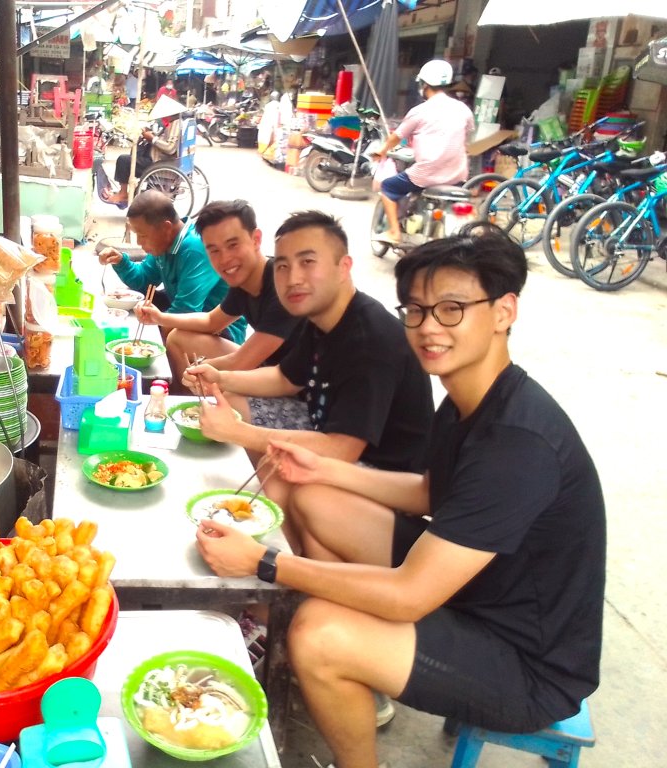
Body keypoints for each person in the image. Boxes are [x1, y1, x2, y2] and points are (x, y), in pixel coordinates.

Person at [193, 230, 606, 768]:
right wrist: (325, 468)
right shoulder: (469, 398)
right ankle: (353, 654)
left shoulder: (518, 442)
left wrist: (266, 563)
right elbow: (432, 491)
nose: (429, 327)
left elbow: (411, 595)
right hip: (474, 588)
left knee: (316, 634)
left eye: (452, 309)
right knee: (317, 497)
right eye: (416, 310)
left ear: (505, 311)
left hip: (527, 661)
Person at [184, 210, 434, 506]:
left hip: (383, 474)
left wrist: (238, 432)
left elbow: (342, 450)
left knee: (297, 483)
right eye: (284, 266)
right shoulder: (320, 318)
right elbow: (285, 378)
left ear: (344, 267)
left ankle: (280, 522)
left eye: (307, 262)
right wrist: (220, 378)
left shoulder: (369, 338)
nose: (293, 279)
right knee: (233, 400)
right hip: (325, 430)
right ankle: (269, 504)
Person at [135, 200, 304, 412]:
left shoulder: (283, 286)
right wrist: (159, 318)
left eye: (233, 245)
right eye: (213, 250)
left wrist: (203, 370)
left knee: (231, 400)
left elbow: (243, 362)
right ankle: (187, 408)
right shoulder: (244, 280)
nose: (224, 259)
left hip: (297, 390)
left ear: (256, 239)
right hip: (267, 368)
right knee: (178, 338)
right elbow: (211, 321)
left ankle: (202, 414)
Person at [98, 191, 246, 347]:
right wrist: (121, 262)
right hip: (185, 310)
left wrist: (150, 339)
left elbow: (186, 310)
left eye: (142, 235)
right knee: (138, 301)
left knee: (170, 334)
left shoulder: (194, 248)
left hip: (223, 329)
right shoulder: (165, 243)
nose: (139, 242)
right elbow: (143, 280)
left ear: (165, 228)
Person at [372, 59, 475, 246]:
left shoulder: (420, 111)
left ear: (424, 85)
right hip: (458, 175)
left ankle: (394, 232)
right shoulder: (463, 109)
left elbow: (397, 136)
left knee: (388, 187)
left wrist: (382, 150)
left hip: (427, 173)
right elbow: (466, 135)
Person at [97, 94, 184, 208]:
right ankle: (127, 192)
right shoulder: (176, 123)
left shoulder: (176, 125)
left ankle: (123, 194)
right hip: (160, 159)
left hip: (158, 162)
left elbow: (170, 148)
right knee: (134, 153)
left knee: (123, 160)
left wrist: (152, 138)